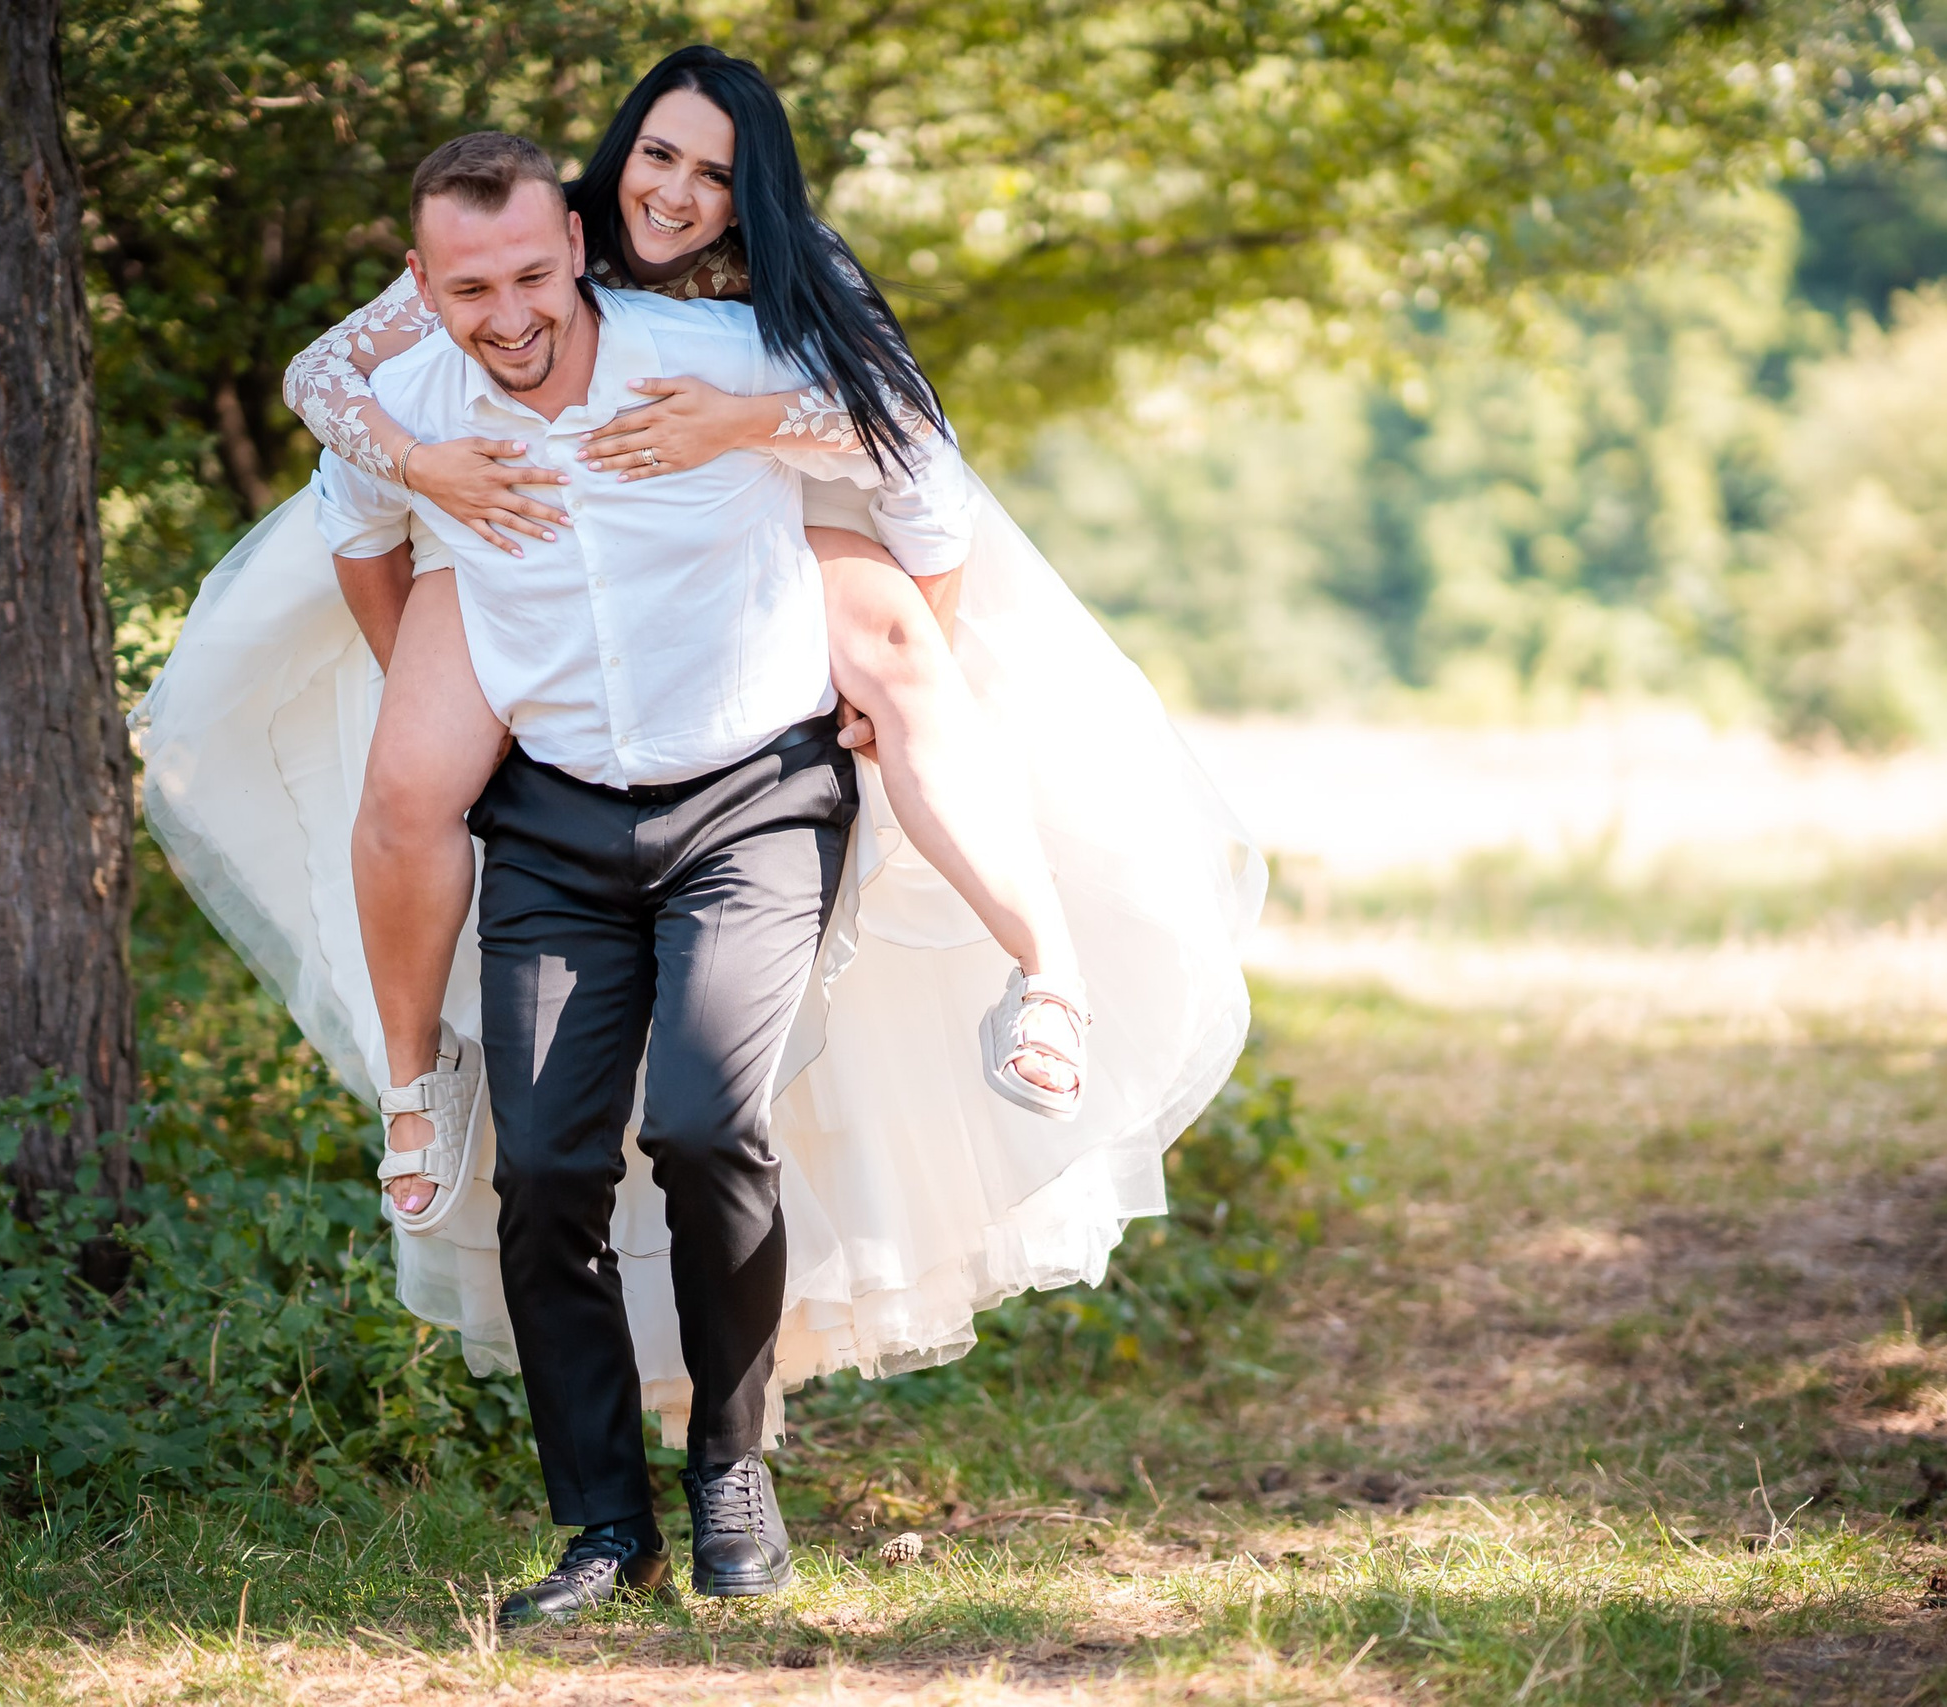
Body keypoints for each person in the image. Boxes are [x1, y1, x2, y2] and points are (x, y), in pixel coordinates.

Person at [133, 47, 1261, 1629]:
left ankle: (730, 1467)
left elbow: (918, 468)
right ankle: (603, 1525)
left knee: (712, 1122)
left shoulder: (733, 339)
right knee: (541, 1171)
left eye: (535, 272)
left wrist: (860, 611)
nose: (511, 309)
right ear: (441, 276)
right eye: (476, 285)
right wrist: (440, 639)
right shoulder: (424, 384)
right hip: (552, 819)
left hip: (749, 796)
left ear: (577, 250)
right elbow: (351, 517)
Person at [288, 50, 1093, 1229]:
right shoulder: (533, 249)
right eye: (656, 154)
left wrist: (747, 427)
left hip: (762, 512)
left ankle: (1049, 979)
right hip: (525, 527)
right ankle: (416, 1082)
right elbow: (319, 375)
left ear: (749, 192)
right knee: (406, 777)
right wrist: (421, 480)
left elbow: (916, 449)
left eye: (713, 175)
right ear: (617, 156)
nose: (672, 194)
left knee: (904, 654)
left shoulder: (793, 269)